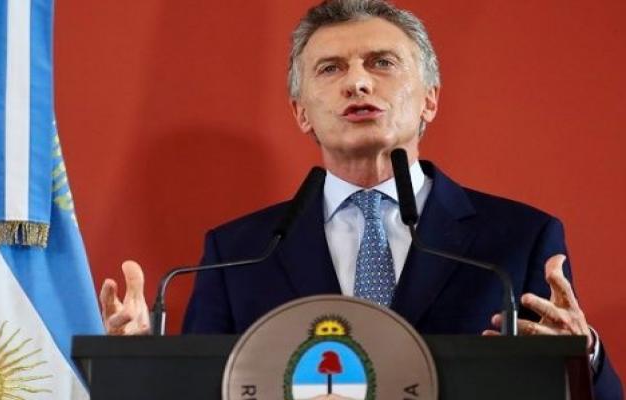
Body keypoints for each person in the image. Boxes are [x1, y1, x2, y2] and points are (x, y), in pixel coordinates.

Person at [99, 0, 623, 397]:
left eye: (382, 63)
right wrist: (140, 366)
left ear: (430, 99)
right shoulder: (237, 251)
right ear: (302, 111)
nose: (358, 84)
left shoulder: (520, 238)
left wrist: (584, 355)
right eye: (330, 69)